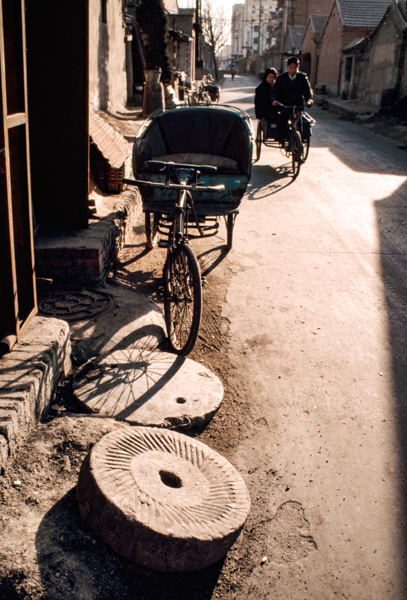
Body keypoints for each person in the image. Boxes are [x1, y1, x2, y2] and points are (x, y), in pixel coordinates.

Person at [271, 56, 313, 142]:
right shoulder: (281, 78)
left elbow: (308, 91)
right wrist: (274, 100)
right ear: (287, 68)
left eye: (295, 68)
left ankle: (299, 140)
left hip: (298, 105)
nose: (293, 70)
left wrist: (309, 100)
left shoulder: (303, 77)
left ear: (298, 68)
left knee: (300, 121)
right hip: (285, 105)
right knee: (283, 118)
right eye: (291, 68)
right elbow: (275, 91)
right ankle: (282, 137)